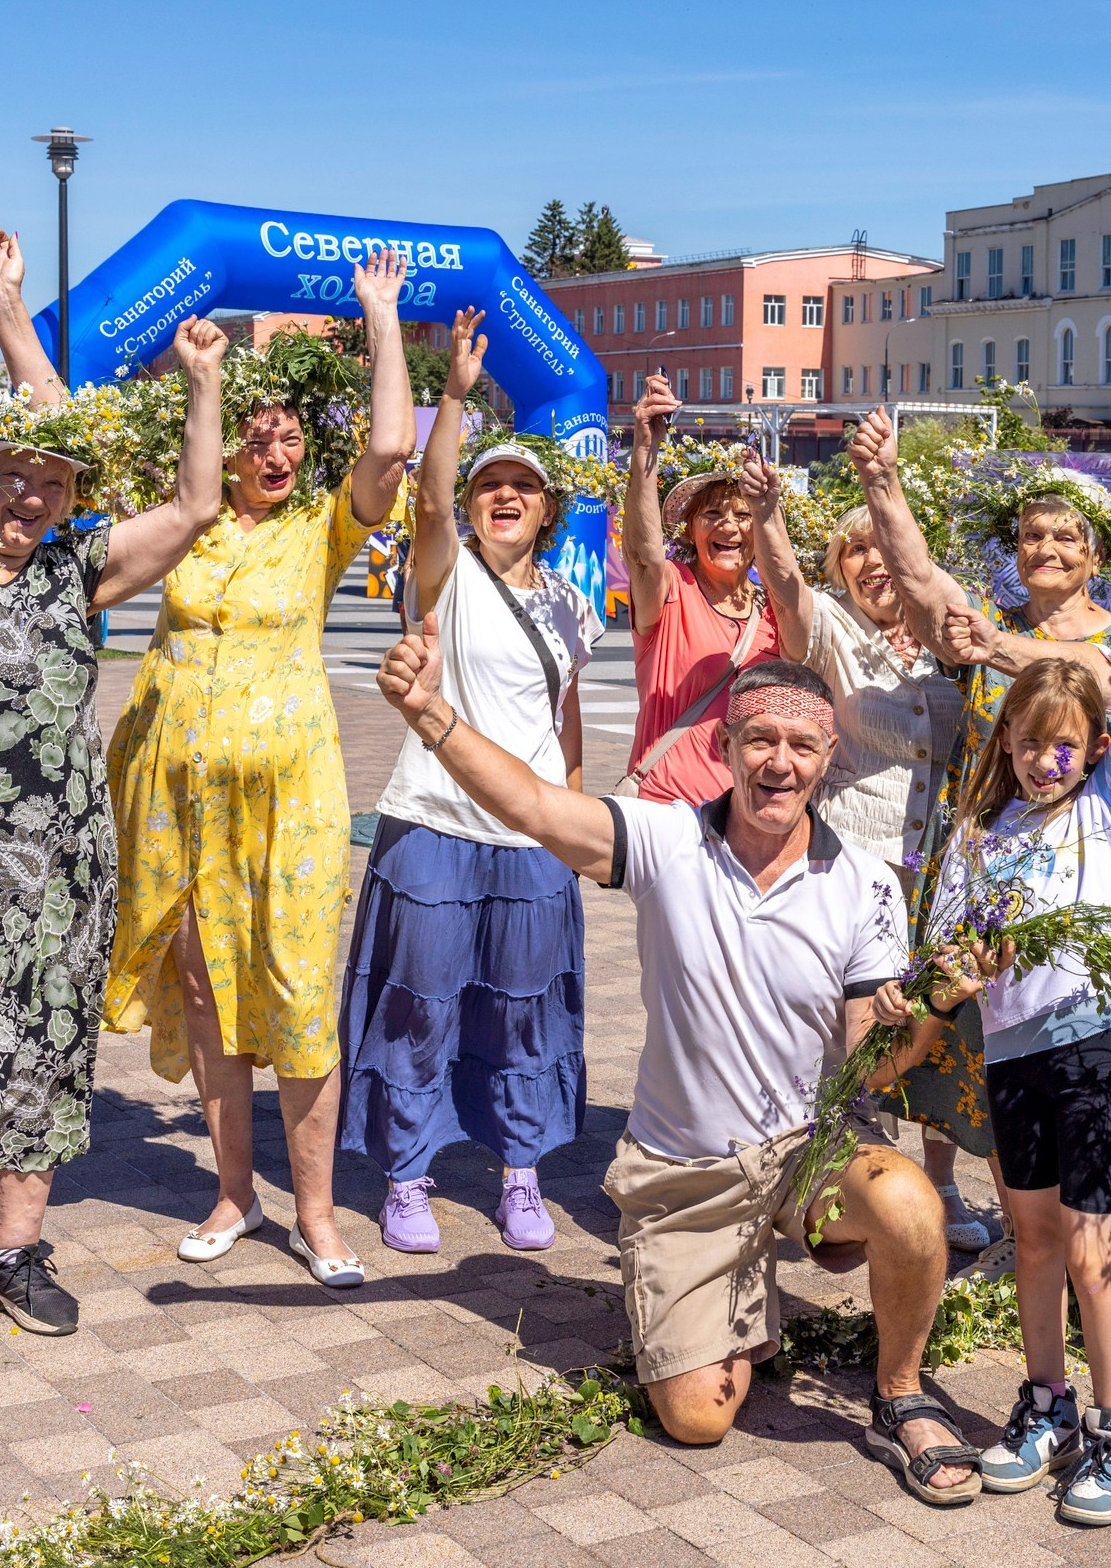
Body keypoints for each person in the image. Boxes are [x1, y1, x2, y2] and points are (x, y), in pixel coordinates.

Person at [377, 632, 984, 1508]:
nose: (780, 762)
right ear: (725, 747)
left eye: (802, 744)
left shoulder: (865, 883)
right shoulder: (665, 840)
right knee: (699, 1417)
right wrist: (429, 711)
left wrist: (928, 1009)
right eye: (760, 740)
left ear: (828, 757)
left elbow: (873, 1067)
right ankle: (729, 1296)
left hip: (807, 1152)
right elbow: (541, 807)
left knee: (905, 1200)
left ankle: (899, 1393)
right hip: (686, 1174)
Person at [0, 225, 230, 1347]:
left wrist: (203, 383)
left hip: (67, 852)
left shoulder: (80, 569)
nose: (30, 495)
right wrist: (4, 310)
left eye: (51, 481)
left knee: (45, 1037)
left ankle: (16, 1253)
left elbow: (197, 506)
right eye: (12, 474)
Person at [845, 412, 1111, 1336]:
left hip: (1100, 879)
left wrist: (994, 648)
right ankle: (1031, 1236)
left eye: (1065, 535)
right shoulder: (981, 622)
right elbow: (923, 582)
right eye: (1031, 534)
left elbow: (1109, 685)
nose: (1045, 548)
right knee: (1004, 1061)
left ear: (1095, 554)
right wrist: (885, 482)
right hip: (991, 874)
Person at [106, 247, 417, 1288]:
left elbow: (390, 448)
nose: (276, 447)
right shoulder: (184, 529)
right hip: (179, 799)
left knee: (293, 988)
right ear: (227, 449)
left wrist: (380, 316)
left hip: (292, 797)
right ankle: (234, 1191)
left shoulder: (320, 529)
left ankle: (318, 1215)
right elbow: (56, 409)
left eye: (288, 435)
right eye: (258, 433)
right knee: (204, 987)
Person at [339, 308, 600, 1255]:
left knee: (525, 1010)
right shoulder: (441, 575)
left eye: (521, 490)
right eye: (493, 485)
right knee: (421, 1000)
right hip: (434, 820)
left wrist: (573, 806)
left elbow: (564, 711)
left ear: (546, 510)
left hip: (532, 834)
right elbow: (433, 500)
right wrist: (453, 394)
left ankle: (519, 1172)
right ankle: (406, 1176)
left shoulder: (573, 604)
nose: (502, 498)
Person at [924, 655, 1111, 1526]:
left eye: (1063, 746)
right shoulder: (978, 835)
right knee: (1030, 1235)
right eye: (1029, 744)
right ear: (1007, 744)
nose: (1043, 762)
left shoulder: (1106, 807)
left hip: (1094, 1044)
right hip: (1011, 1053)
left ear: (1096, 749)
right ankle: (1045, 1401)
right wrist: (955, 975)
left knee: (1089, 1246)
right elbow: (947, 964)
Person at [735, 452, 994, 1252]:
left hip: (941, 869)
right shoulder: (832, 635)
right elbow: (783, 587)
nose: (873, 564)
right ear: (839, 568)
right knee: (852, 1023)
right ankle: (832, 1170)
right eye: (855, 552)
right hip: (860, 863)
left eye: (885, 549)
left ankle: (938, 1182)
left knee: (938, 1024)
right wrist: (769, 513)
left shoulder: (953, 640)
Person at [621, 371, 782, 802]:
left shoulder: (773, 612)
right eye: (711, 514)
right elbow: (642, 555)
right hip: (669, 808)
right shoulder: (674, 588)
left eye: (743, 515)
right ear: (690, 530)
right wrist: (644, 450)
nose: (729, 526)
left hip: (750, 817)